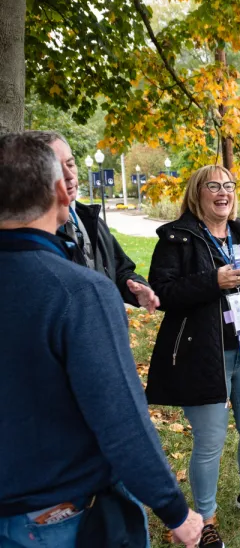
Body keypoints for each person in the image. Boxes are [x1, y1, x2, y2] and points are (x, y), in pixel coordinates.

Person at [0, 133, 202, 548]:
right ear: (59, 190)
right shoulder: (78, 293)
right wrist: (176, 512)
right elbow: (121, 420)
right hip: (60, 519)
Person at [145, 165, 240, 548]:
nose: (223, 192)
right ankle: (206, 518)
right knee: (210, 439)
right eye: (213, 186)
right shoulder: (178, 238)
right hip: (204, 355)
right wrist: (212, 282)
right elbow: (162, 292)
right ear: (197, 193)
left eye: (229, 186)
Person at [22, 130, 160, 312]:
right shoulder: (28, 233)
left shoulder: (91, 219)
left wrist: (137, 289)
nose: (69, 175)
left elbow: (119, 270)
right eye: (56, 169)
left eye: (70, 165)